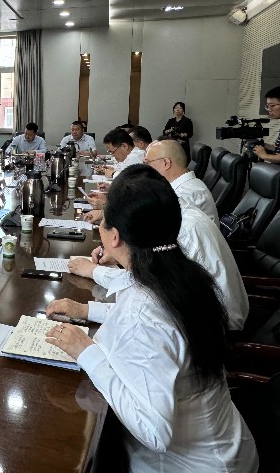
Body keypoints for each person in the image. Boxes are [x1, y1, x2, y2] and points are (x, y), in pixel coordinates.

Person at [46, 169, 257, 472]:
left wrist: (86, 352)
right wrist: (85, 311)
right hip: (226, 447)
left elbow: (154, 432)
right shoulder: (181, 274)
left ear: (114, 236)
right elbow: (158, 325)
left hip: (189, 465)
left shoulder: (144, 309)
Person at [72, 165, 247, 330]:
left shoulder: (183, 230)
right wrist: (124, 253)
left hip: (215, 329)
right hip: (189, 318)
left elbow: (151, 296)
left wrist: (96, 271)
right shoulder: (171, 217)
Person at [144, 139, 218, 224]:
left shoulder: (185, 195)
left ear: (166, 163)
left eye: (147, 162)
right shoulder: (183, 186)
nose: (145, 168)